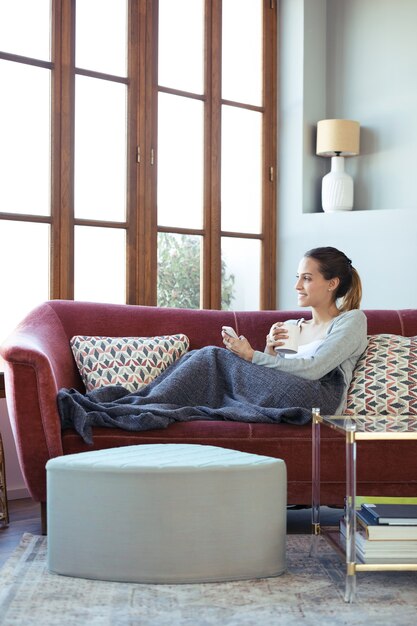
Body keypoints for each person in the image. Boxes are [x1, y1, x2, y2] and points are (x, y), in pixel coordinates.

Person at [221, 246, 368, 415]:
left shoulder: (351, 320)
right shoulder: (291, 325)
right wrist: (270, 350)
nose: (297, 286)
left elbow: (314, 369)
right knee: (205, 358)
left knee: (214, 358)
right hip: (284, 390)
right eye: (298, 277)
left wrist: (251, 355)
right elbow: (269, 378)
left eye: (306, 278)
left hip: (318, 398)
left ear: (332, 283)